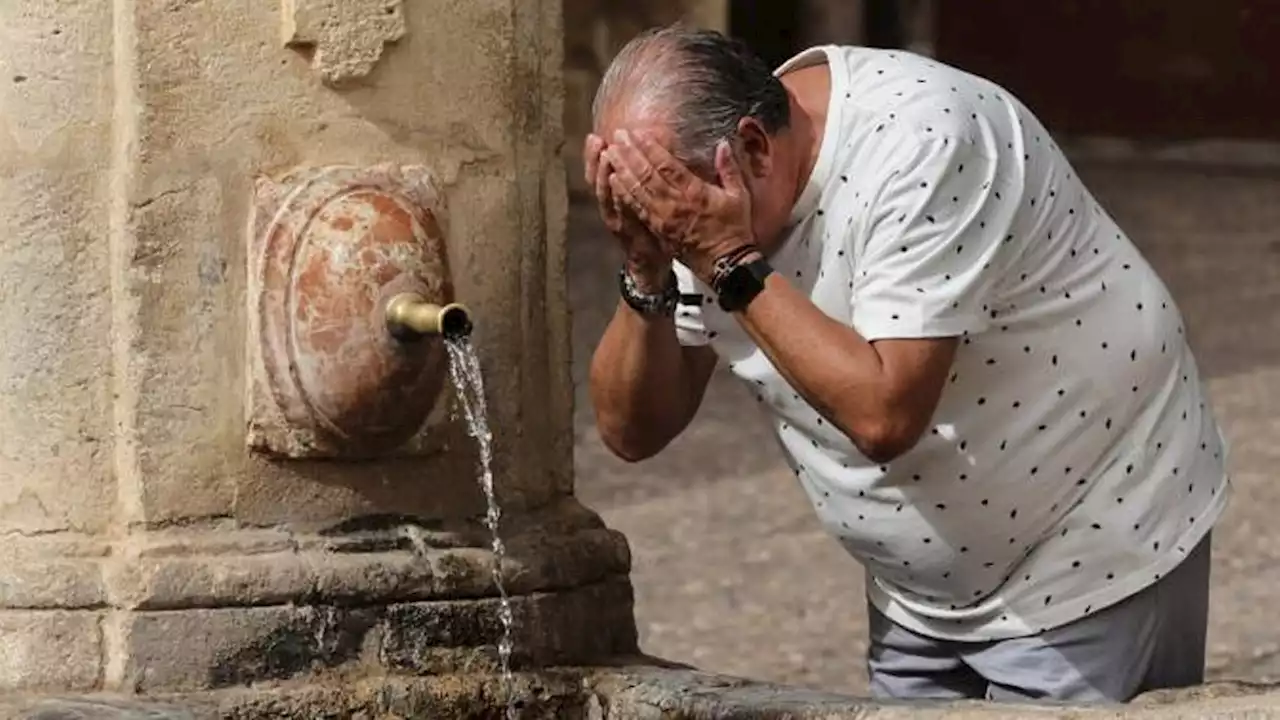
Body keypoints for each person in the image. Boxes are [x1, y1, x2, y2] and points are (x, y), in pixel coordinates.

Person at [584, 24, 1231, 703]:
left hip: (1088, 550)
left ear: (751, 146)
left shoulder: (923, 142)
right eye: (643, 208)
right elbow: (633, 431)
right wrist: (647, 266)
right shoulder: (692, 200)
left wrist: (728, 261)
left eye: (668, 215)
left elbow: (885, 412)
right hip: (916, 598)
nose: (666, 224)